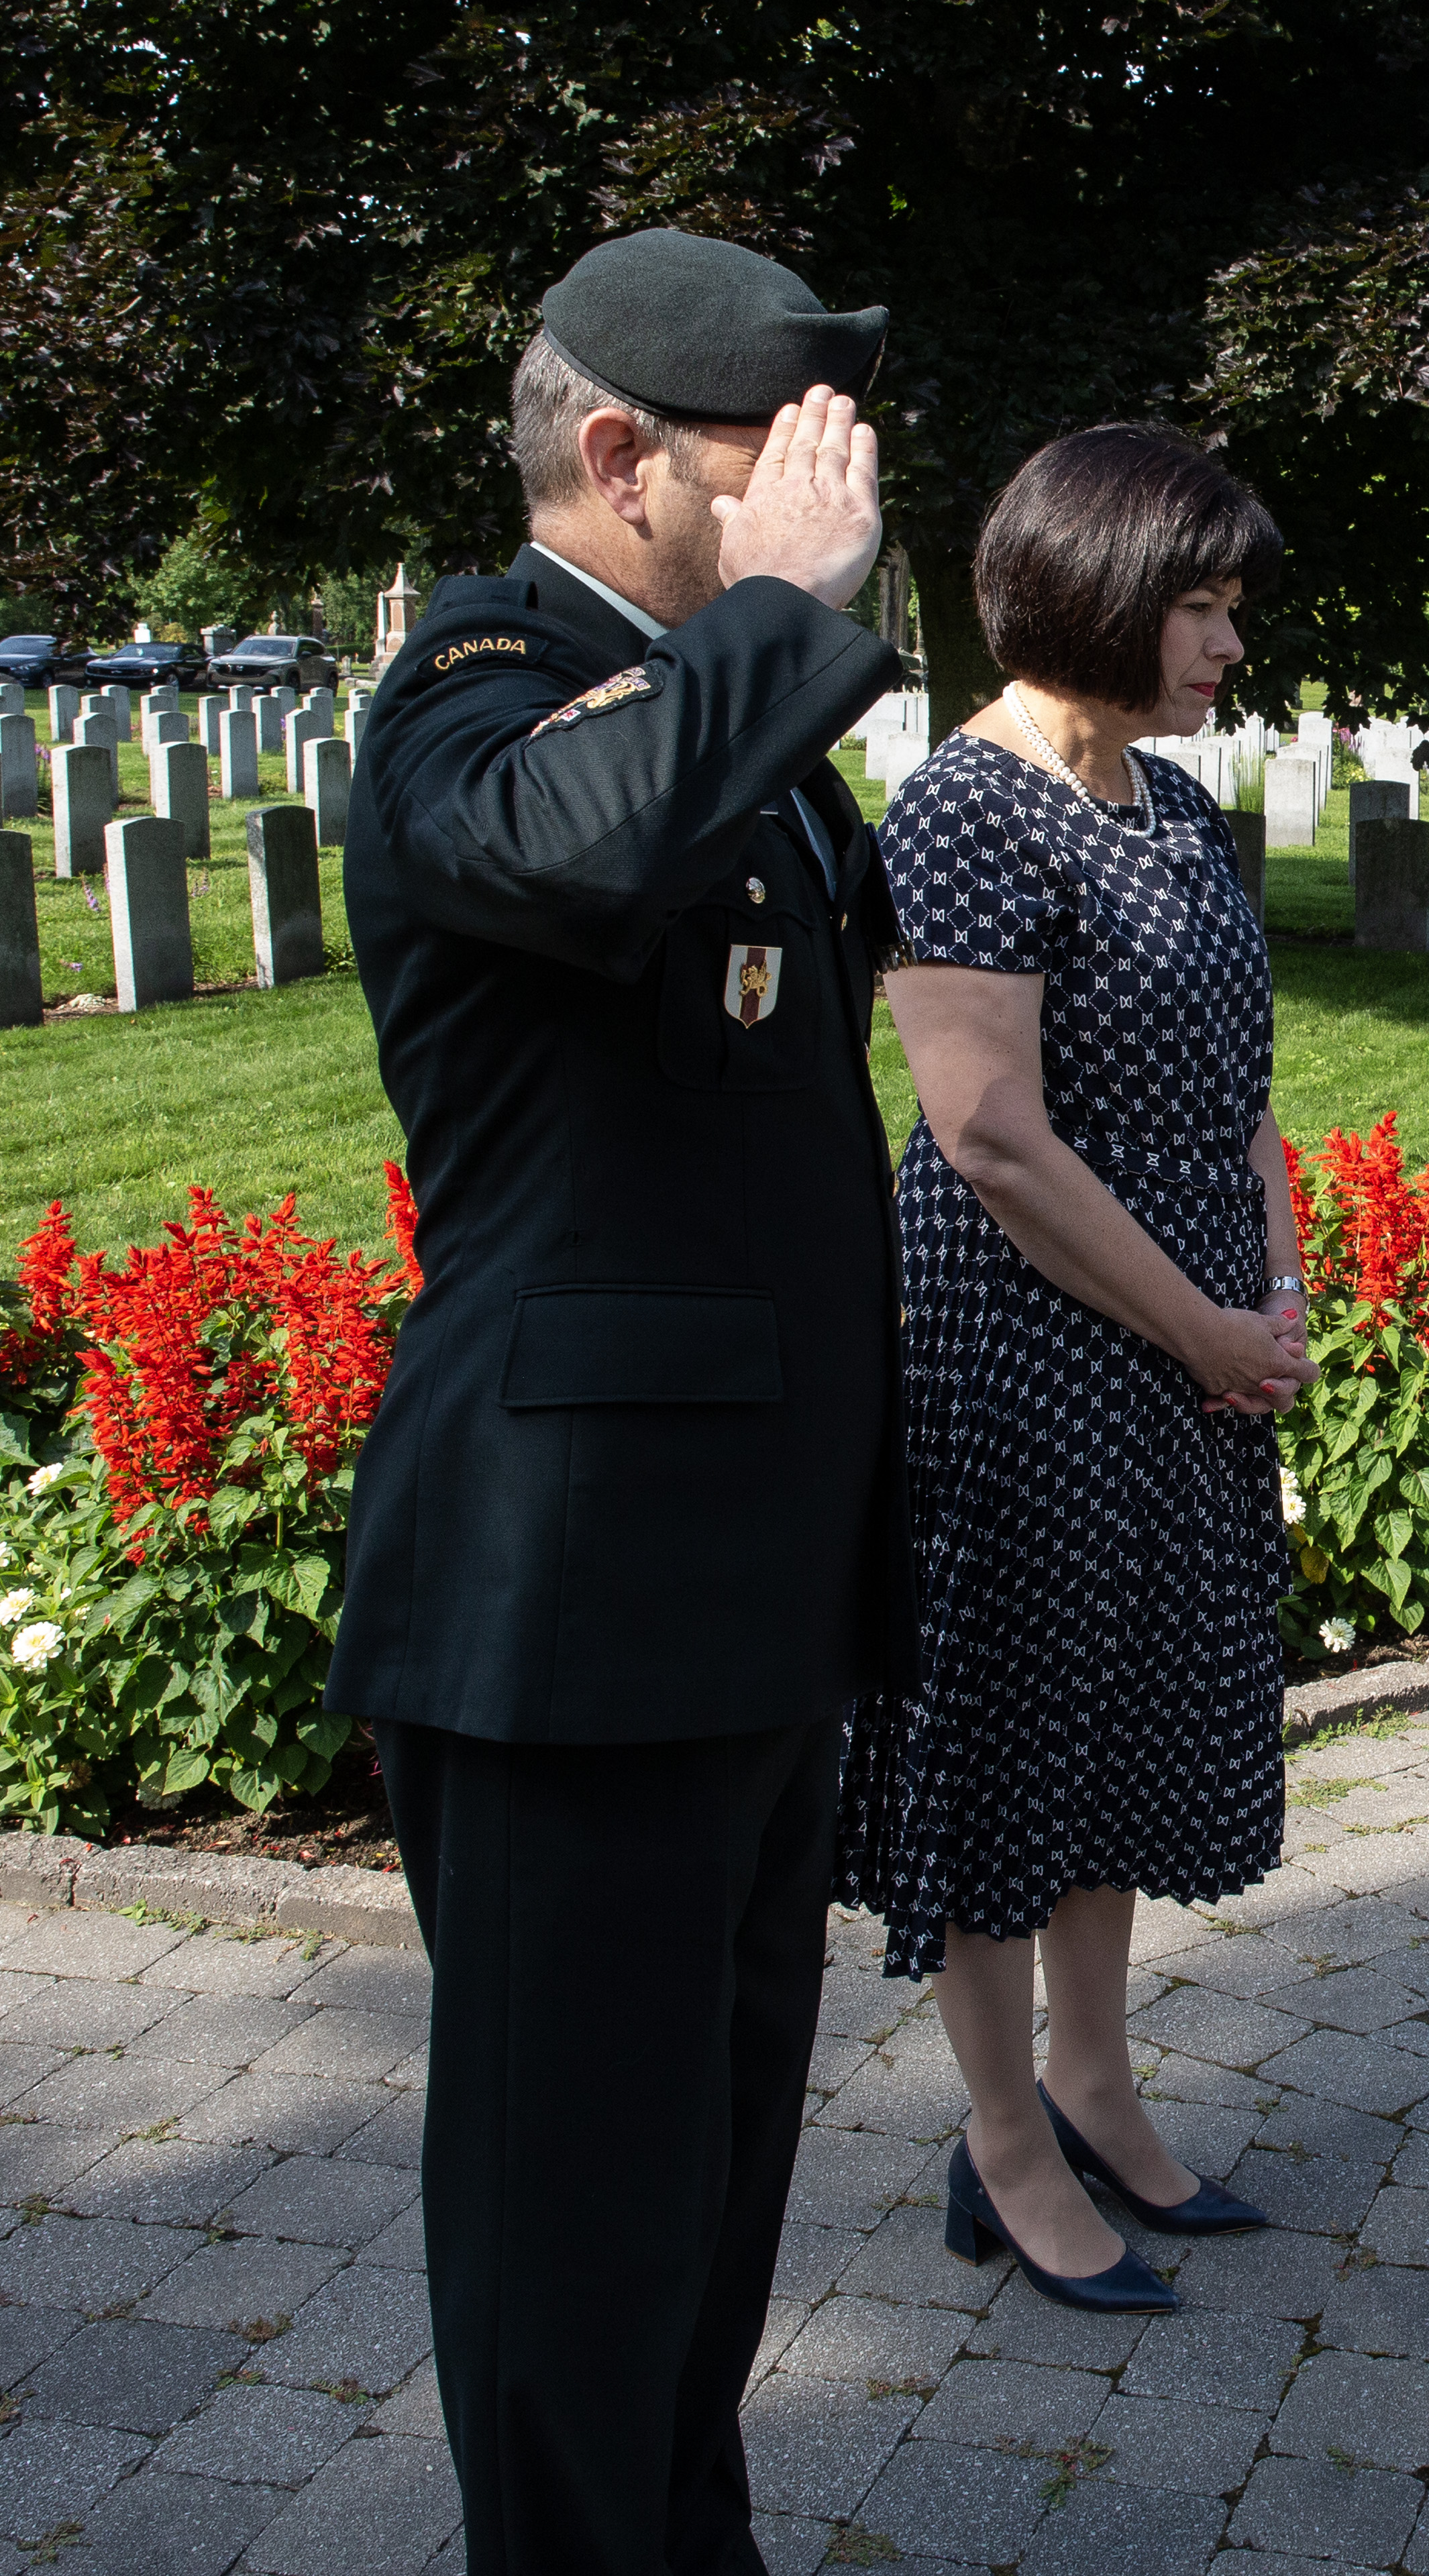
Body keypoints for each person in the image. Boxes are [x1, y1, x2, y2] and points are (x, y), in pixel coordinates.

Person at [331, 228, 902, 2573]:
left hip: (742, 1602)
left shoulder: (713, 721)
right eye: (779, 457)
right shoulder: (481, 677)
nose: (829, 498)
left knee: (700, 2218)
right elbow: (564, 849)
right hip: (568, 1620)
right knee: (575, 2244)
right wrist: (789, 620)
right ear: (619, 458)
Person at [835, 425, 1313, 2312]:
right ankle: (1000, 2141)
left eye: (1231, 607)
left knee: (1117, 1724)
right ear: (1103, 589)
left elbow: (1245, 1091)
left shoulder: (1173, 809)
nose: (1227, 643)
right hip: (1025, 1343)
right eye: (1203, 603)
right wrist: (1200, 1325)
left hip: (1189, 1347)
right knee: (1011, 1743)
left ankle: (1099, 2085)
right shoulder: (967, 807)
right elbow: (993, 1137)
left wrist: (1267, 1295)